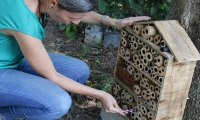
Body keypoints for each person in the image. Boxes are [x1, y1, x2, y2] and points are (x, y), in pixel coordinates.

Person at [0, 0, 151, 119]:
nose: (77, 22)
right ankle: (5, 114)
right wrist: (101, 94)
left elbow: (81, 13)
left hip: (16, 58)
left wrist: (115, 22)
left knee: (78, 71)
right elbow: (53, 76)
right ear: (53, 3)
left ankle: (21, 92)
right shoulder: (21, 17)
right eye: (73, 18)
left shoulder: (43, 3)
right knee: (58, 103)